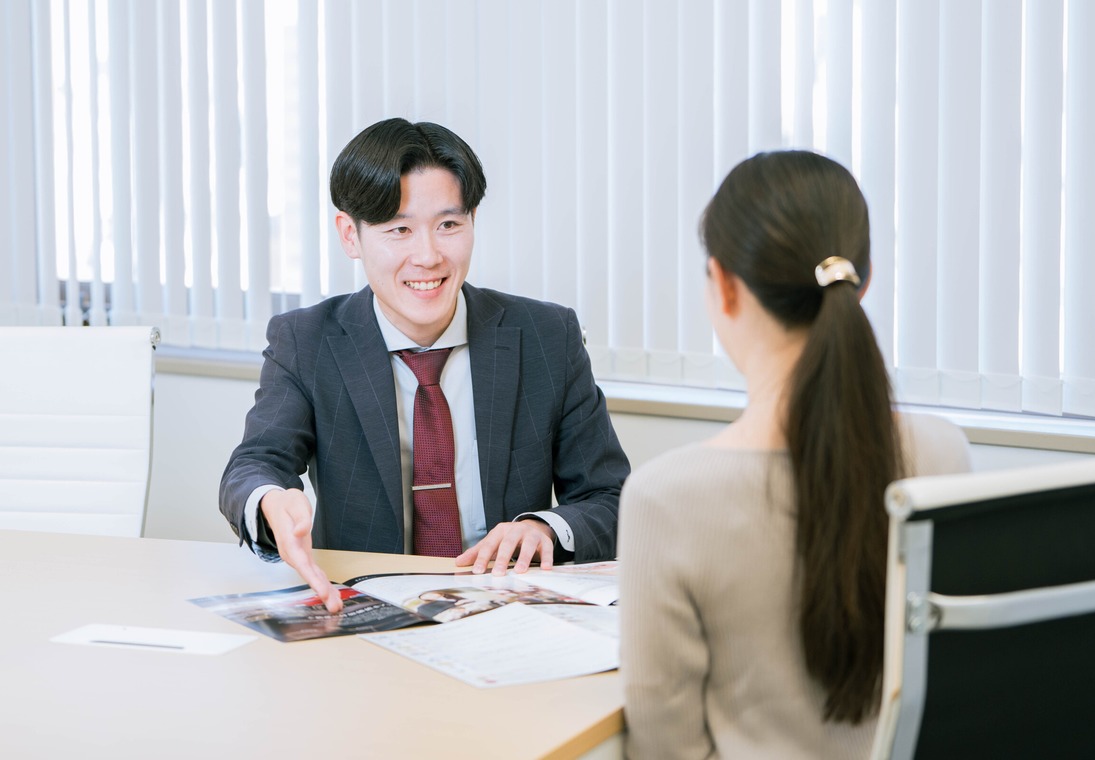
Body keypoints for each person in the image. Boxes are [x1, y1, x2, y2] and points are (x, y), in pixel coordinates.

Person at [618, 150, 971, 759]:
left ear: (724, 286)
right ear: (865, 280)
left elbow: (664, 752)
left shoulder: (667, 499)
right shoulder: (942, 455)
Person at [220, 118, 630, 613]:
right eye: (399, 230)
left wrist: (545, 528)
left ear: (473, 221)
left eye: (449, 225)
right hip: (367, 614)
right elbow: (254, 465)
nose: (429, 256)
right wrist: (269, 499)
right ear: (351, 235)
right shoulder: (307, 341)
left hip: (507, 610)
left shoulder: (546, 336)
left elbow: (611, 498)